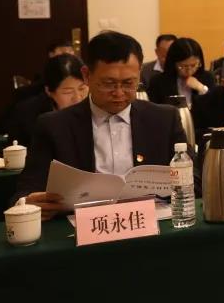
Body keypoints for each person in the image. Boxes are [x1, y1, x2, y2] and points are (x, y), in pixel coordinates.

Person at [14, 31, 186, 220]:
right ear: (86, 76)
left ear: (139, 75)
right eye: (108, 84)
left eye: (128, 83)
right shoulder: (54, 126)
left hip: (152, 224)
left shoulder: (163, 119)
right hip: (80, 228)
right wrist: (30, 202)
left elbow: (193, 177)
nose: (119, 93)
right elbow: (26, 190)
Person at [6, 54, 88, 147]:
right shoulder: (27, 116)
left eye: (82, 89)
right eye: (68, 92)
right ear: (49, 91)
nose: (77, 98)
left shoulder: (97, 108)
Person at [146, 37, 215, 107]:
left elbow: (214, 106)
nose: (189, 71)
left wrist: (202, 88)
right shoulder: (157, 82)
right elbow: (153, 109)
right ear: (173, 63)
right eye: (183, 66)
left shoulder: (207, 77)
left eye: (193, 65)